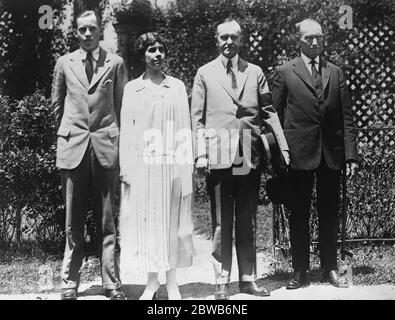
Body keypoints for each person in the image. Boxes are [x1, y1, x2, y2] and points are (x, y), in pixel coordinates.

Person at [191, 18, 289, 300]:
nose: (228, 42)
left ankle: (248, 279)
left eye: (234, 37)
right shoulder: (204, 74)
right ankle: (221, 281)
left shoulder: (255, 72)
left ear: (241, 39)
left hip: (249, 153)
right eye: (223, 37)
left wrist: (281, 147)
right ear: (216, 39)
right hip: (218, 156)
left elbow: (269, 111)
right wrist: (200, 153)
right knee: (221, 221)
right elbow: (197, 118)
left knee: (247, 218)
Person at [272, 18, 359, 290]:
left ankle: (330, 267)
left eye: (318, 37)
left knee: (329, 212)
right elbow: (273, 116)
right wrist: (278, 154)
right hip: (298, 155)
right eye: (308, 38)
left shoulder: (336, 72)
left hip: (331, 154)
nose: (314, 42)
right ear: (298, 40)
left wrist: (351, 155)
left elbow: (347, 116)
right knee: (299, 212)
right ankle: (299, 270)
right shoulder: (285, 72)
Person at [51, 10, 128, 300]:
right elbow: (56, 106)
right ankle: (69, 281)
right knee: (73, 220)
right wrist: (66, 136)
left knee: (107, 220)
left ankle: (111, 282)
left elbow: (122, 107)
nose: (87, 34)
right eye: (82, 30)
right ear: (76, 33)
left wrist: (119, 142)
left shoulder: (116, 63)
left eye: (92, 29)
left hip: (106, 148)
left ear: (101, 31)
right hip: (73, 148)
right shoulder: (64, 63)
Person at [119, 32, 195, 300]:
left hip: (172, 165)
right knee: (148, 223)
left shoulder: (176, 87)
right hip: (144, 168)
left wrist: (187, 169)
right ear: (142, 55)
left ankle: (172, 282)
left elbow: (184, 128)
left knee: (173, 224)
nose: (157, 54)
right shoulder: (132, 89)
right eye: (151, 49)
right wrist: (126, 168)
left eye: (161, 49)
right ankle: (151, 282)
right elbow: (127, 132)